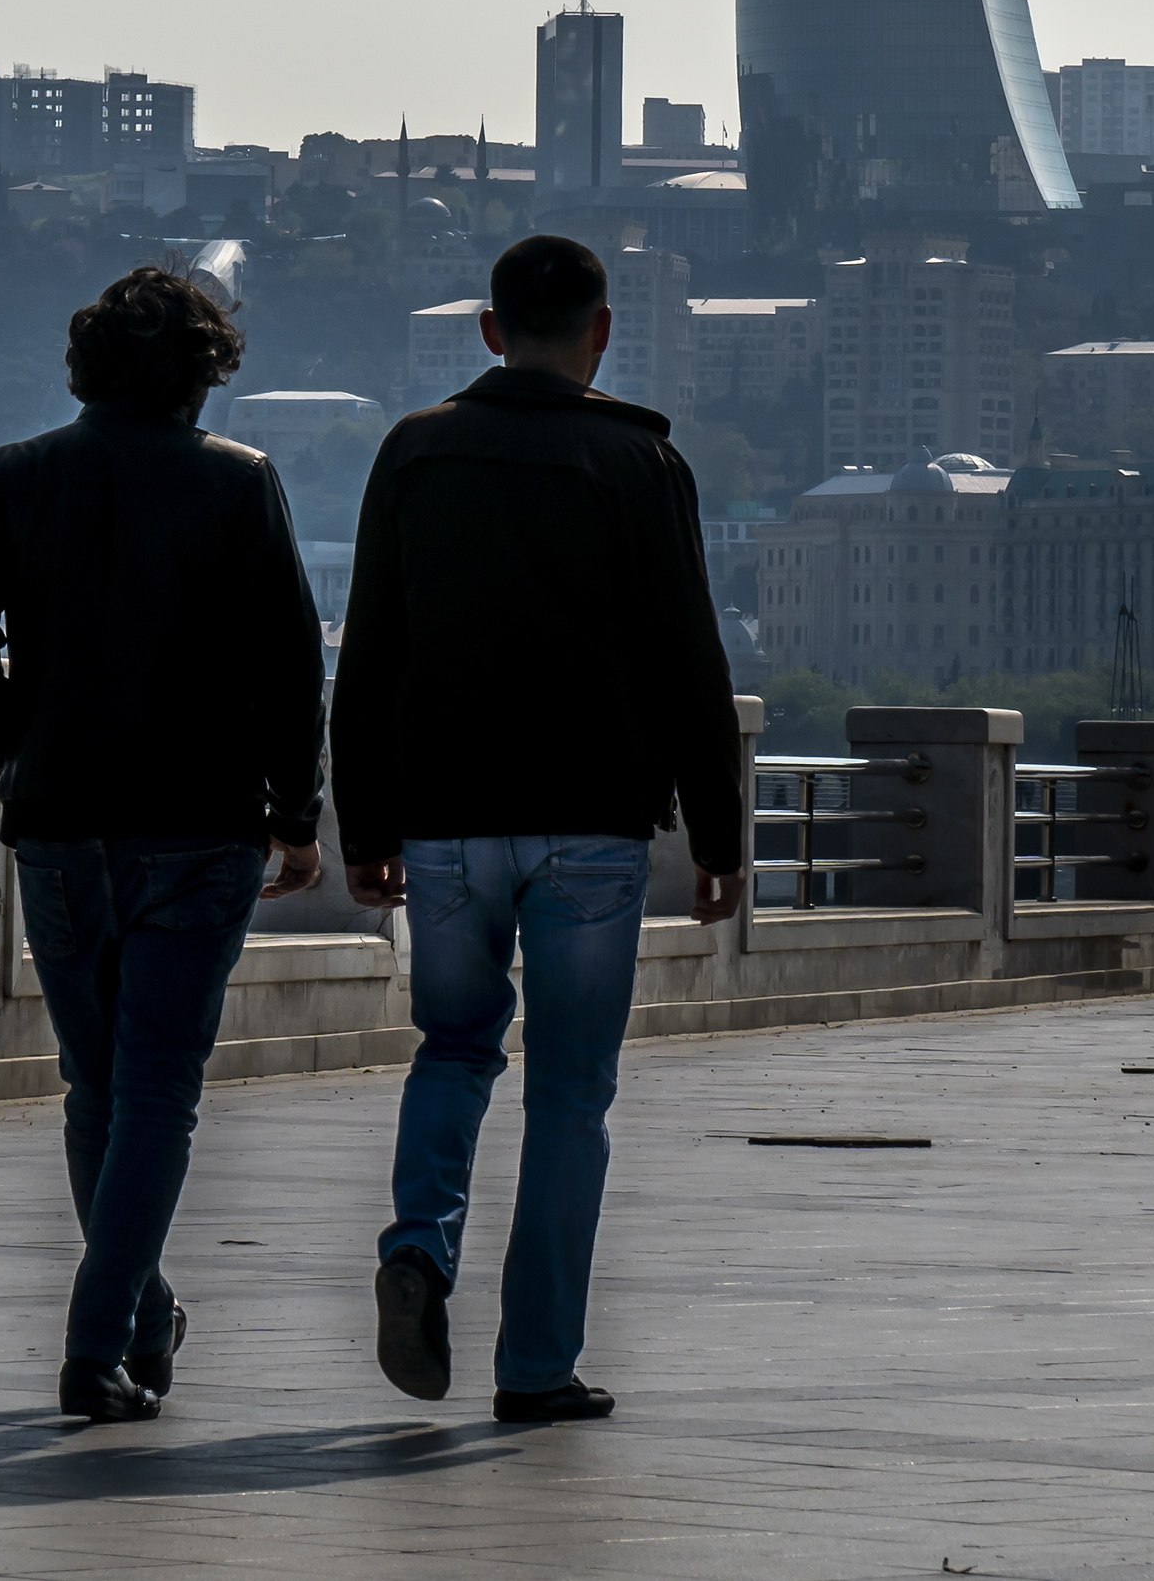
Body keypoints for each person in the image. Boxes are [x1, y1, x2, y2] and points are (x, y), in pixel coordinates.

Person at [332, 233, 748, 1426]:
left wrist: (368, 823)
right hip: (592, 828)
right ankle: (537, 1367)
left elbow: (370, 652)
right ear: (602, 331)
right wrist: (716, 835)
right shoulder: (637, 459)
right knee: (570, 1094)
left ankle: (418, 1244)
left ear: (488, 328)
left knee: (454, 1048)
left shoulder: (412, 451)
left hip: (449, 826)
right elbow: (689, 660)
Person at [0, 266, 327, 1424]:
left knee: (95, 1087)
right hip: (198, 822)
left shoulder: (9, 479)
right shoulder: (237, 485)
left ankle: (140, 1315)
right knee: (155, 1093)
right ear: (205, 373)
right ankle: (99, 1339)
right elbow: (289, 661)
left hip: (58, 822)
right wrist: (296, 813)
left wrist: (13, 734)